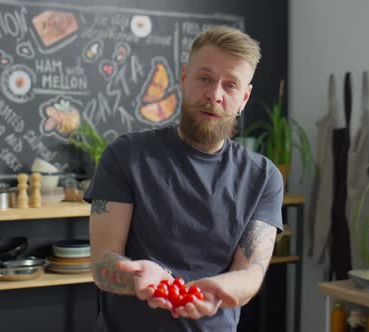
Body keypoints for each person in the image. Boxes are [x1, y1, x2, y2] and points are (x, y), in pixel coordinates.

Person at [84, 25, 284, 332]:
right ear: (184, 78)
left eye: (230, 86)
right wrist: (134, 276)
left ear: (244, 98)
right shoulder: (125, 155)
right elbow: (101, 264)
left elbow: (251, 273)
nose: (214, 95)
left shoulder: (263, 178)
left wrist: (217, 291)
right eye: (204, 78)